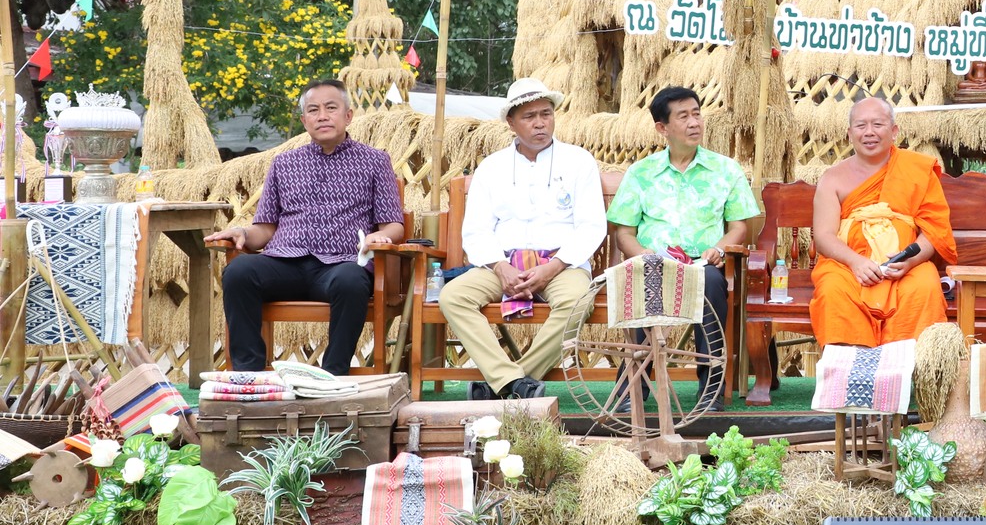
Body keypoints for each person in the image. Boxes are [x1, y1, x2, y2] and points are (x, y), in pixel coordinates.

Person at [208, 79, 405, 373]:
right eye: (313, 110)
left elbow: (394, 226)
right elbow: (265, 229)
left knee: (351, 280)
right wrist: (243, 233)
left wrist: (380, 236)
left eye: (331, 108)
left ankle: (332, 374)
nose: (322, 116)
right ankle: (249, 372)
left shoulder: (375, 161)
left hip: (339, 265)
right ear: (304, 121)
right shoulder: (284, 163)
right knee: (238, 271)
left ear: (348, 115)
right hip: (284, 264)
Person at [437, 79, 607, 402]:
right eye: (529, 116)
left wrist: (552, 267)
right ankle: (517, 384)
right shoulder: (492, 167)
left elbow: (591, 226)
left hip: (561, 264)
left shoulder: (578, 161)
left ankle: (505, 384)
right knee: (453, 296)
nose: (540, 123)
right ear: (511, 122)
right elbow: (476, 230)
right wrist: (501, 267)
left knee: (578, 300)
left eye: (546, 114)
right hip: (503, 264)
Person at [607, 85, 763, 405]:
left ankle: (711, 388)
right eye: (683, 116)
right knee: (641, 277)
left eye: (696, 114)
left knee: (711, 282)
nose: (694, 123)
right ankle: (633, 387)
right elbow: (624, 234)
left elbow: (739, 227)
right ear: (662, 128)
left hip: (703, 264)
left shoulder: (725, 170)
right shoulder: (641, 173)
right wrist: (643, 255)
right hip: (653, 261)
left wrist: (719, 249)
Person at [810, 96, 957, 347]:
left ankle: (910, 365)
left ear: (894, 131)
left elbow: (934, 231)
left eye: (878, 124)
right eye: (861, 125)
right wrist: (856, 262)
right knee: (832, 289)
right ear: (850, 134)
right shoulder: (832, 178)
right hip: (847, 266)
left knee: (925, 285)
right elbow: (823, 236)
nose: (869, 132)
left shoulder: (916, 169)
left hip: (904, 266)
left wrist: (910, 261)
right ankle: (850, 365)